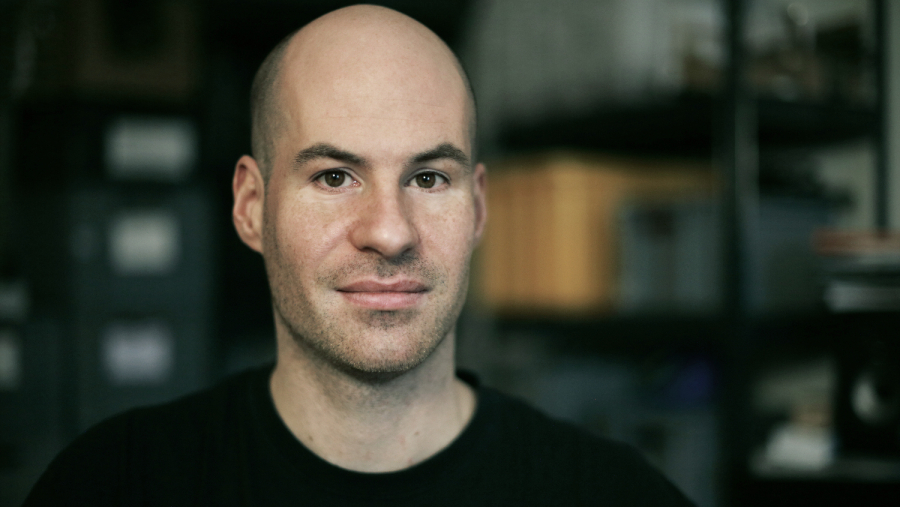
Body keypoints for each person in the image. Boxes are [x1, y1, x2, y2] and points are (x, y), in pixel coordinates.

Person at [25, 5, 695, 506]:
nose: (390, 232)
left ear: (478, 208)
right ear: (251, 207)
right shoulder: (117, 484)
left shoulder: (613, 494)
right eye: (335, 177)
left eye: (428, 178)